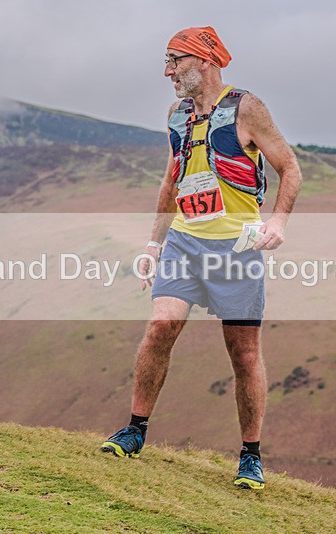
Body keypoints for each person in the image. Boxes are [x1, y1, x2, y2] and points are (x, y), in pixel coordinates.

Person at [101, 27, 302, 490]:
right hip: (185, 244)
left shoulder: (246, 108)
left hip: (237, 248)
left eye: (175, 60)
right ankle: (135, 430)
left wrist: (278, 224)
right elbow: (172, 182)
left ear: (205, 61)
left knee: (244, 353)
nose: (167, 70)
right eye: (166, 61)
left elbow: (290, 168)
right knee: (160, 328)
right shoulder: (176, 115)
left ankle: (250, 457)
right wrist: (154, 244)